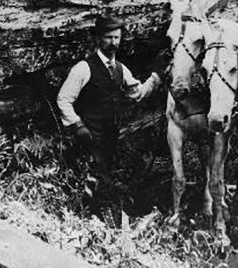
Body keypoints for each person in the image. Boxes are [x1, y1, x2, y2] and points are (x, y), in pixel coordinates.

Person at [56, 16, 163, 219]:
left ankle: (93, 219)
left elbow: (138, 93)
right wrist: (78, 126)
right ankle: (84, 218)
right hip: (88, 135)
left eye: (117, 38)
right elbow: (63, 99)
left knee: (103, 177)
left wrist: (156, 77)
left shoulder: (121, 70)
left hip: (110, 136)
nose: (113, 43)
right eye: (108, 37)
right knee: (92, 178)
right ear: (98, 39)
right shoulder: (83, 68)